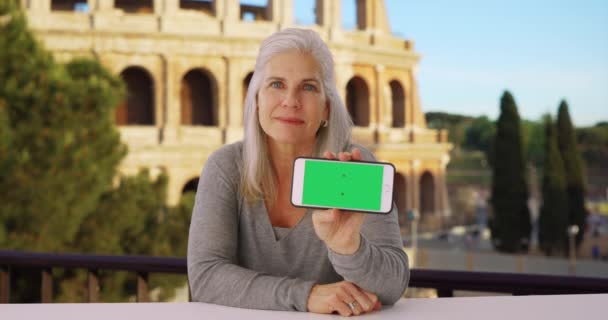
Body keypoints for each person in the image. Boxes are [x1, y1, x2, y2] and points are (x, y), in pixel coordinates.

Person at [187, 28, 409, 316]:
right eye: (276, 84)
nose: (290, 101)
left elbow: (393, 286)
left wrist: (348, 247)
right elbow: (205, 277)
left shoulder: (350, 165)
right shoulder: (227, 166)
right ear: (256, 101)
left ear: (327, 108)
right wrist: (306, 296)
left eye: (308, 87)